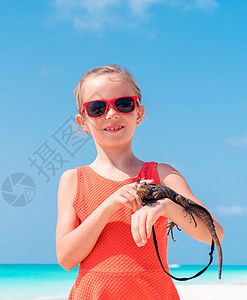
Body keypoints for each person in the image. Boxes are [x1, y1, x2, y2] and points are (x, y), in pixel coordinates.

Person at [55, 64, 224, 299]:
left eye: (123, 104)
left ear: (139, 114)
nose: (111, 113)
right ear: (83, 121)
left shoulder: (162, 175)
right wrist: (108, 206)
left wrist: (166, 207)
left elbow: (214, 233)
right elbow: (66, 257)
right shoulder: (74, 180)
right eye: (97, 108)